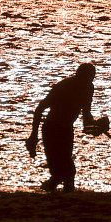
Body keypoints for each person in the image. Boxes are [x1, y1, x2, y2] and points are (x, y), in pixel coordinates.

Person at [26, 63, 101, 192]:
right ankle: (59, 190)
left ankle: (59, 190)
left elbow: (86, 113)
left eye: (91, 78)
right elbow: (40, 109)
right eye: (86, 77)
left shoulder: (89, 88)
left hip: (67, 129)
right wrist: (34, 134)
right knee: (61, 166)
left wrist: (95, 127)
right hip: (52, 128)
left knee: (64, 166)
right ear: (78, 75)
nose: (88, 80)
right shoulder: (63, 87)